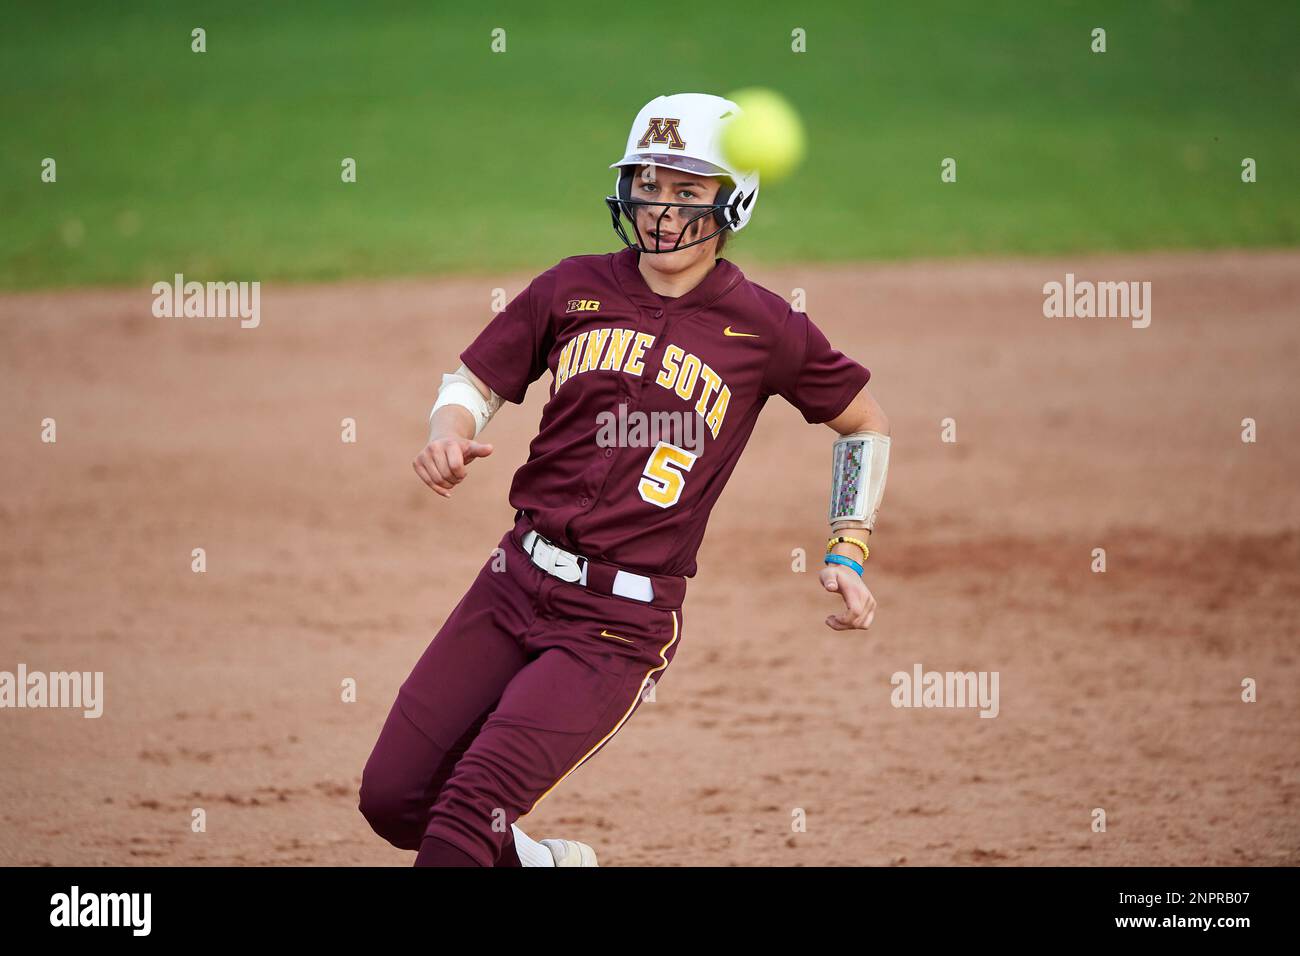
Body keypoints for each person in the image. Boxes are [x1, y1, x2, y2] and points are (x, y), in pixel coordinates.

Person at [359, 92, 891, 867]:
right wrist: (449, 432)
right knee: (396, 802)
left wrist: (849, 546)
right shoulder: (572, 286)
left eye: (688, 191)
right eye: (649, 184)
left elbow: (863, 423)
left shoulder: (765, 326)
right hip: (511, 582)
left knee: (467, 816)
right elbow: (475, 381)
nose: (662, 212)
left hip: (615, 629)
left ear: (731, 200)